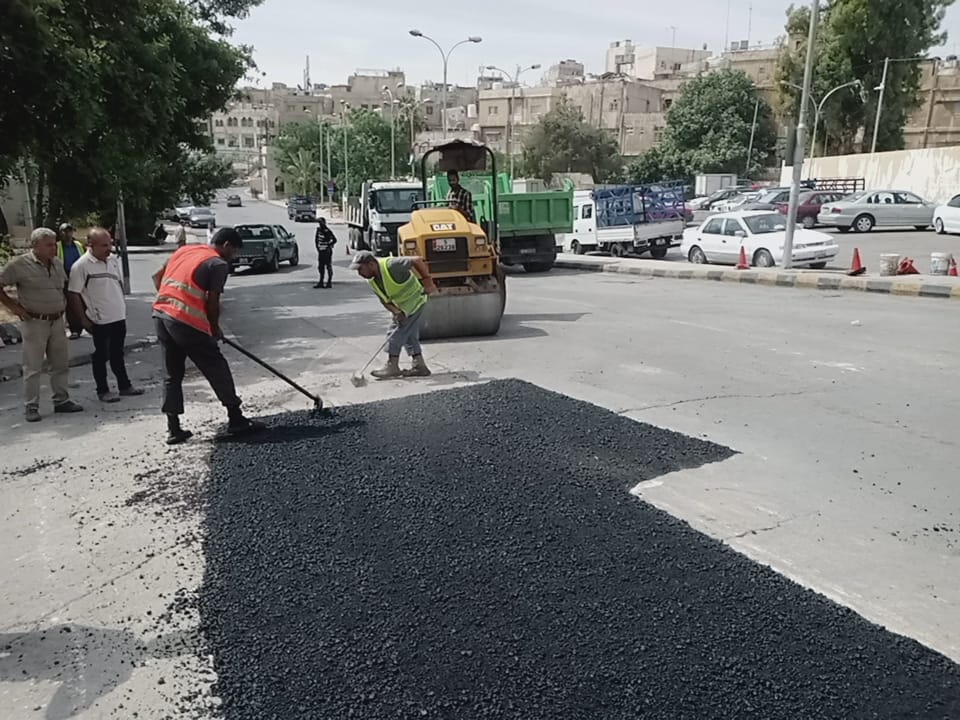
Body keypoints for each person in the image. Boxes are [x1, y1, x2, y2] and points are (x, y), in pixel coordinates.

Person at [152, 226, 263, 444]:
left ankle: (173, 428)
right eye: (235, 252)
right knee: (216, 366)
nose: (235, 256)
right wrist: (213, 327)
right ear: (227, 245)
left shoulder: (185, 251)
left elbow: (157, 278)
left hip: (161, 315)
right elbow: (213, 302)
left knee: (171, 374)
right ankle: (236, 418)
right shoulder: (218, 264)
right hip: (185, 322)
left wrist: (170, 303)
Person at [0, 227, 84, 422]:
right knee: (33, 366)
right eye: (48, 245)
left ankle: (62, 400)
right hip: (34, 321)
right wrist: (15, 309)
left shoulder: (56, 263)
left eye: (54, 244)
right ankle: (31, 406)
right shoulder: (19, 265)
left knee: (60, 363)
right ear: (35, 245)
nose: (53, 248)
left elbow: (63, 288)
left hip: (57, 320)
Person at [67, 227, 144, 403]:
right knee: (101, 356)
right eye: (103, 245)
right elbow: (73, 294)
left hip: (117, 316)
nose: (108, 248)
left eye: (110, 244)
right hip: (99, 320)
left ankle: (125, 386)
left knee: (118, 354)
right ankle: (103, 390)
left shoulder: (112, 261)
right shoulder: (81, 266)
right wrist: (83, 320)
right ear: (90, 245)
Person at [350, 250, 438, 379]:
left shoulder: (392, 265)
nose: (359, 273)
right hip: (402, 307)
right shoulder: (372, 281)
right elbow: (385, 301)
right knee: (409, 334)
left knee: (395, 333)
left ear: (371, 265)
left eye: (360, 269)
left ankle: (392, 366)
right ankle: (420, 366)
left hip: (416, 299)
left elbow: (417, 260)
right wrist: (397, 312)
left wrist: (427, 281)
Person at [57, 223, 86, 338]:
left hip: (80, 276)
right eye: (64, 231)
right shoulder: (57, 246)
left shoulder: (79, 245)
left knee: (84, 301)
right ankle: (75, 329)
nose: (67, 234)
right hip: (65, 277)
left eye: (69, 231)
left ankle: (87, 324)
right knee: (70, 304)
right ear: (60, 233)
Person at [314, 217, 336, 288]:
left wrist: (329, 245)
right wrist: (318, 248)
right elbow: (316, 240)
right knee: (320, 267)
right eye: (319, 223)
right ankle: (321, 282)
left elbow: (334, 240)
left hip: (327, 251)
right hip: (321, 251)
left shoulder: (327, 231)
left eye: (321, 222)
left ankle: (329, 282)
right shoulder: (318, 230)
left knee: (328, 266)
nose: (320, 224)